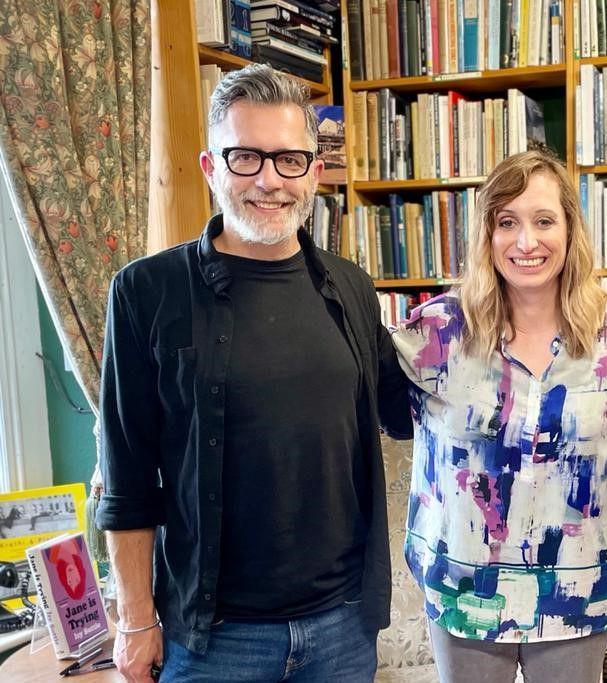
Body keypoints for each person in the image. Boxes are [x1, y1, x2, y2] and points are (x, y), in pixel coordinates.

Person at [96, 64, 411, 683]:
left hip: (342, 627)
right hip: (214, 640)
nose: (269, 181)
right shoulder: (145, 292)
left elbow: (405, 410)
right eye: (245, 158)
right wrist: (134, 619)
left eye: (289, 160)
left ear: (315, 173)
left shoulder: (351, 287)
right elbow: (127, 474)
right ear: (212, 167)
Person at [391, 151, 607, 683]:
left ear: (570, 229)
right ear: (485, 234)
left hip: (577, 589)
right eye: (507, 222)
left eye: (543, 221)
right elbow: (370, 408)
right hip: (467, 587)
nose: (526, 242)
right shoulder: (437, 333)